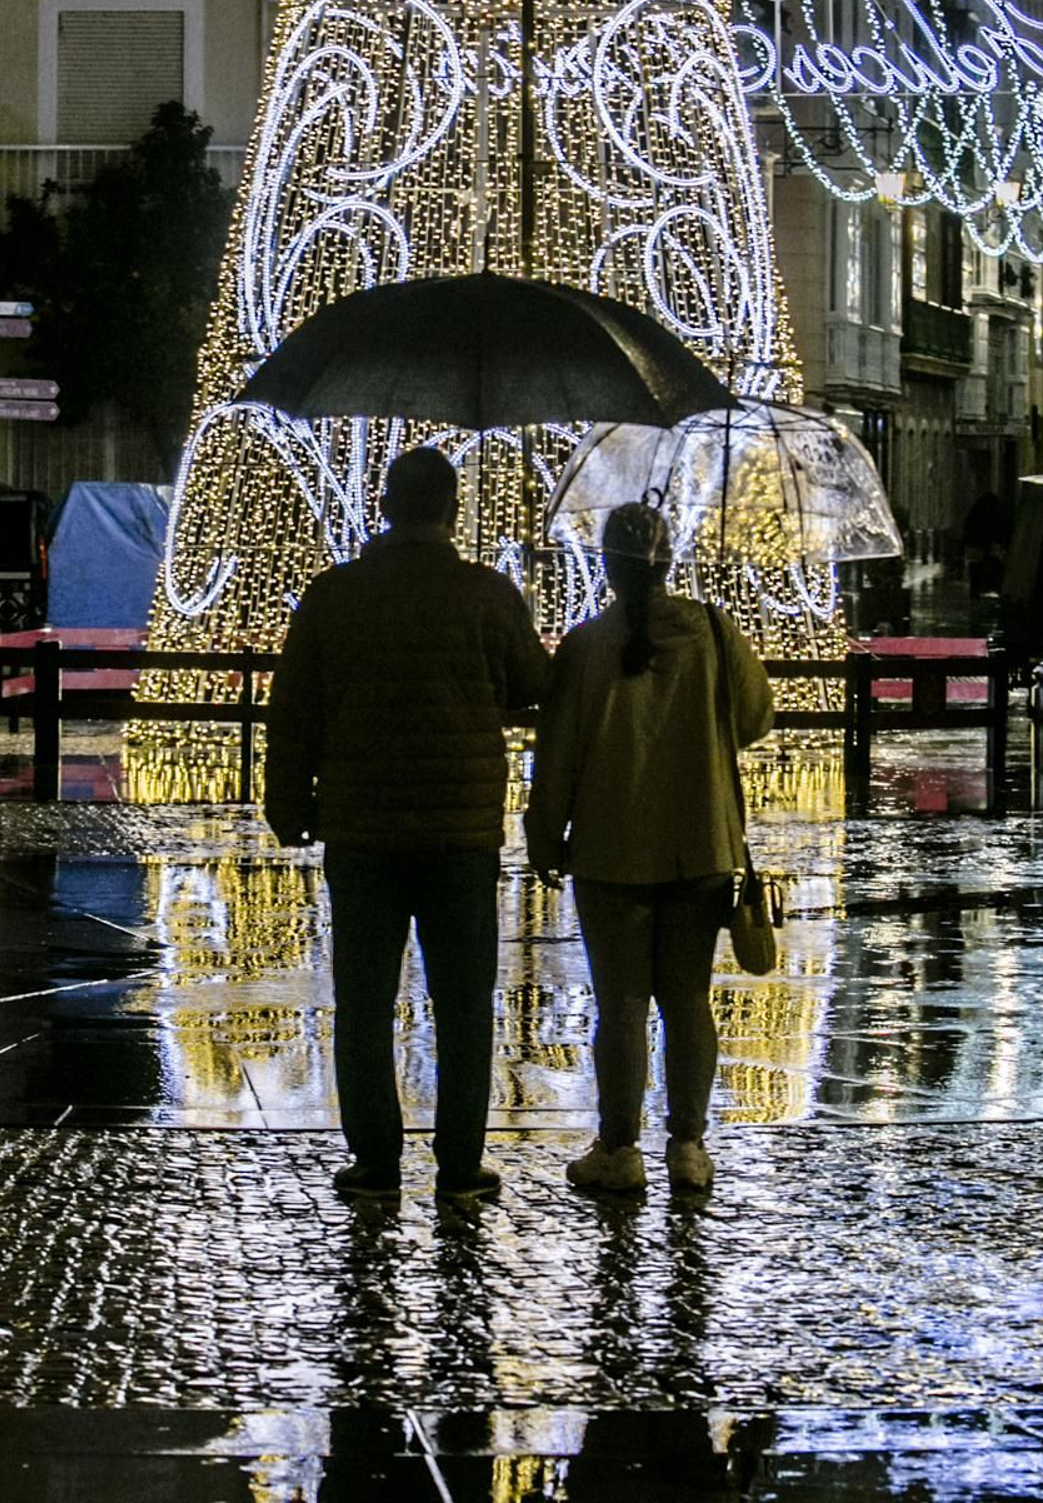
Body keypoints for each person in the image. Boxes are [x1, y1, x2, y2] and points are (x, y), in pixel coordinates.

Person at [265, 445, 551, 1206]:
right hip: (461, 835)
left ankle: (376, 1160)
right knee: (464, 1003)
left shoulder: (334, 595)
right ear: (451, 511)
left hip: (361, 829)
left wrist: (288, 804)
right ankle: (461, 1163)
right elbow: (535, 686)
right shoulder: (487, 595)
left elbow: (293, 713)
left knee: (362, 1001)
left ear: (385, 508)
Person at [524, 499, 774, 1198]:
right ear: (670, 562)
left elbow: (559, 758)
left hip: (610, 851)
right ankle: (689, 1145)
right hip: (701, 846)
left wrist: (545, 834)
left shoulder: (583, 648)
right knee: (689, 999)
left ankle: (619, 1147)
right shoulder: (714, 633)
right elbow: (755, 719)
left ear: (607, 567)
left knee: (623, 1005)